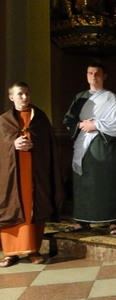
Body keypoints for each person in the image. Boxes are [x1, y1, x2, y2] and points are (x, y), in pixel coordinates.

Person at [0, 83, 64, 267]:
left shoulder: (40, 118)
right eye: (20, 94)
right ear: (11, 97)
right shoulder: (4, 120)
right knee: (11, 207)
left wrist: (34, 143)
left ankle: (33, 250)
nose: (25, 97)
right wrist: (12, 144)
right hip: (11, 174)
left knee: (33, 207)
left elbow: (49, 144)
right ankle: (10, 253)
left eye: (27, 93)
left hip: (35, 172)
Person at [63, 63, 116, 235]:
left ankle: (111, 221)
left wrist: (96, 125)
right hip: (83, 145)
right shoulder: (80, 97)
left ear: (104, 76)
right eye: (90, 73)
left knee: (106, 182)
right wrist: (80, 124)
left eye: (97, 73)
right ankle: (82, 221)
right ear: (86, 75)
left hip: (103, 145)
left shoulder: (111, 98)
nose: (93, 76)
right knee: (83, 183)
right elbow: (69, 120)